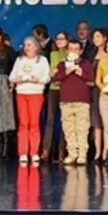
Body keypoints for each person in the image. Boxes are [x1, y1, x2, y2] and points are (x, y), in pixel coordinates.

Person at [52, 39, 95, 165]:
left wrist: (81, 73)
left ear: (81, 51)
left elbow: (92, 80)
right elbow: (55, 80)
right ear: (67, 51)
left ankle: (82, 154)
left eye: (76, 49)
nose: (74, 51)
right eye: (71, 49)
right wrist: (67, 71)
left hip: (82, 101)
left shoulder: (85, 64)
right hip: (66, 101)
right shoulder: (62, 64)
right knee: (68, 129)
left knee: (82, 129)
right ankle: (72, 153)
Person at [8, 36, 50, 165]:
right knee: (23, 124)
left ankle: (34, 152)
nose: (27, 47)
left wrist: (37, 80)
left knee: (34, 124)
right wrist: (19, 79)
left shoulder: (42, 60)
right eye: (25, 45)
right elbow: (11, 77)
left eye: (29, 45)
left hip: (36, 94)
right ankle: (23, 153)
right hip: (21, 93)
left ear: (36, 46)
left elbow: (47, 78)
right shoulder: (19, 60)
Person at [41, 30, 69, 163]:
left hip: (66, 89)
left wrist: (60, 69)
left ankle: (61, 151)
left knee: (64, 121)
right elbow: (53, 72)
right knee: (50, 119)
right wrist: (59, 68)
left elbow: (66, 72)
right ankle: (46, 150)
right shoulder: (53, 54)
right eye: (57, 39)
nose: (59, 41)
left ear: (67, 40)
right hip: (53, 89)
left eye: (62, 39)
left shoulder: (71, 54)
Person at [88, 27, 108, 164]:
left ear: (105, 38)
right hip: (95, 91)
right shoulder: (91, 53)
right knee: (96, 122)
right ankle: (97, 152)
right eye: (94, 37)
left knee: (107, 121)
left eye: (98, 36)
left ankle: (106, 152)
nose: (95, 39)